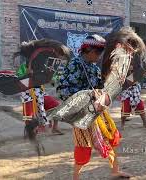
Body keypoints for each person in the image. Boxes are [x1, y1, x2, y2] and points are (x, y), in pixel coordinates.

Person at [56, 34, 130, 179]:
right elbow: (62, 90)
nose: (98, 56)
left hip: (98, 110)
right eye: (97, 53)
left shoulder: (93, 68)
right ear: (88, 49)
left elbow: (100, 87)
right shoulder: (73, 65)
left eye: (100, 53)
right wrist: (88, 95)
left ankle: (115, 171)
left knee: (112, 137)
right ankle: (75, 177)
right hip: (81, 113)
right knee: (84, 147)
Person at [16, 62, 63, 135]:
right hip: (28, 94)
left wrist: (51, 76)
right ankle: (33, 130)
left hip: (41, 93)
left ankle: (55, 127)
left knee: (56, 105)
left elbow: (52, 79)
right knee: (29, 113)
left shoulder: (42, 65)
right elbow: (18, 79)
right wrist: (27, 74)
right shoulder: (23, 66)